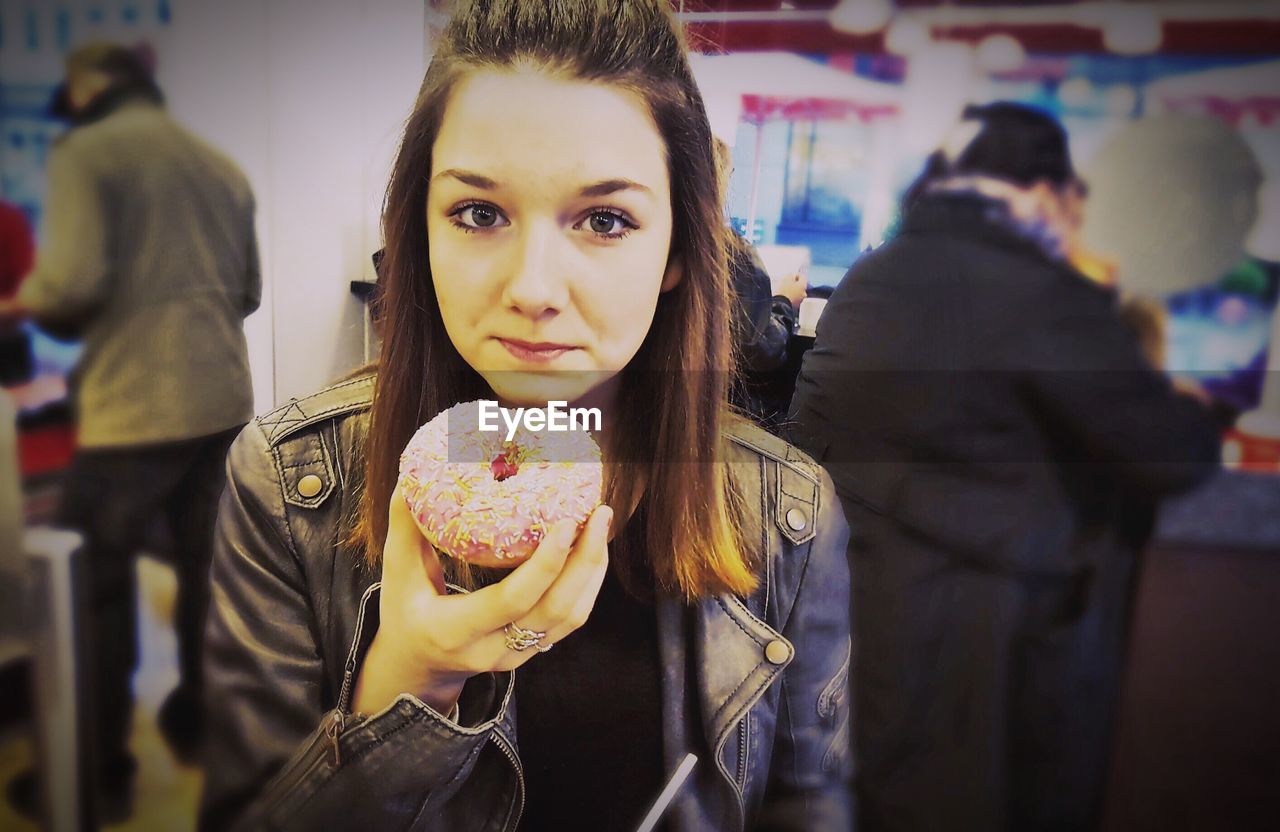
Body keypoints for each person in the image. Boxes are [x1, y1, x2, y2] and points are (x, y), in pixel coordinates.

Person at [200, 2, 851, 830]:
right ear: (418, 228)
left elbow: (807, 810)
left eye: (605, 220)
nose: (533, 289)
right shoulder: (293, 486)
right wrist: (410, 680)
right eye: (479, 213)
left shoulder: (787, 515)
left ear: (681, 252)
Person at [788, 102, 1223, 831]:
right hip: (966, 628)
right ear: (1046, 195)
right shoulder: (1038, 291)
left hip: (837, 595)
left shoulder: (874, 272)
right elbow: (1171, 454)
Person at [0, 42, 261, 821]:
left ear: (85, 87)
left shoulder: (87, 153)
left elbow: (70, 285)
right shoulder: (221, 165)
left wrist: (29, 305)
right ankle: (201, 726)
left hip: (133, 410)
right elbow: (246, 291)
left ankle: (98, 769)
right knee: (208, 578)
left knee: (93, 591)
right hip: (221, 402)